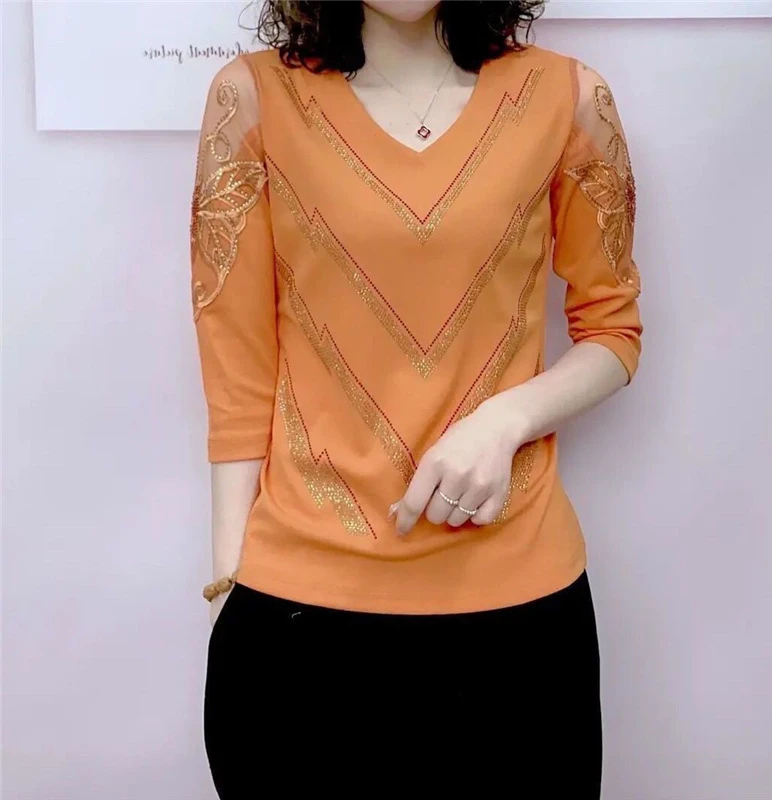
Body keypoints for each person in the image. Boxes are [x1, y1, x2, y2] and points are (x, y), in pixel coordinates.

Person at [192, 1, 642, 796]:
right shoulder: (252, 98)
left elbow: (614, 328)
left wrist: (506, 420)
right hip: (299, 621)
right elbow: (236, 362)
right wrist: (231, 575)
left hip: (519, 621)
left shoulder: (568, 98)